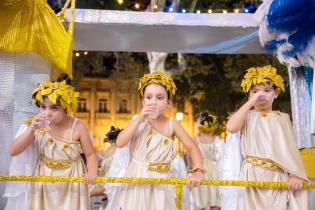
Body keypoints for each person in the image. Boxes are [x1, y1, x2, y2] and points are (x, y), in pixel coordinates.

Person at [6, 74, 98, 210]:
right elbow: (13, 151)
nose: (47, 113)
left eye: (54, 108)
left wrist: (92, 171)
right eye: (43, 107)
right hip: (44, 178)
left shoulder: (78, 127)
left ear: (66, 108)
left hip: (72, 179)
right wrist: (31, 130)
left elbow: (90, 155)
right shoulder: (36, 124)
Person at [115, 71, 205, 210]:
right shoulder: (136, 122)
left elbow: (193, 147)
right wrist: (140, 118)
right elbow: (120, 143)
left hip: (162, 182)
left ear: (169, 102)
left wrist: (198, 171)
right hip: (137, 179)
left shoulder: (172, 124)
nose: (153, 102)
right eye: (149, 97)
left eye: (160, 97)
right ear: (143, 101)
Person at [226, 65, 309, 209]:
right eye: (255, 91)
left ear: (276, 93)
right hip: (251, 175)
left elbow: (290, 151)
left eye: (267, 90)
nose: (261, 95)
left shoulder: (282, 118)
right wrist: (251, 102)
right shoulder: (246, 116)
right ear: (249, 95)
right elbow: (231, 127)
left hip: (276, 176)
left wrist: (294, 174)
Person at [189, 112, 224, 210]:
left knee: (200, 199)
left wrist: (190, 168)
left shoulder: (195, 139)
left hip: (200, 169)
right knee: (215, 200)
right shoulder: (218, 140)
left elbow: (190, 156)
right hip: (214, 170)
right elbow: (223, 156)